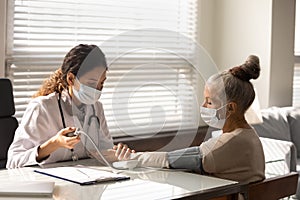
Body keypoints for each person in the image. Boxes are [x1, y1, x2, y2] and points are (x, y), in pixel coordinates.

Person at [129, 55, 265, 184]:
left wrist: (131, 158)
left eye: (209, 102)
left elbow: (172, 160)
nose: (203, 106)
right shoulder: (248, 136)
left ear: (230, 108)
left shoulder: (230, 143)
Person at [6, 44, 133, 168]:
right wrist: (54, 143)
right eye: (92, 83)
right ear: (71, 79)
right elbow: (13, 161)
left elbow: (104, 151)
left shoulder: (96, 108)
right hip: (50, 184)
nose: (97, 90)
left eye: (102, 84)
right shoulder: (41, 107)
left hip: (88, 182)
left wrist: (118, 153)